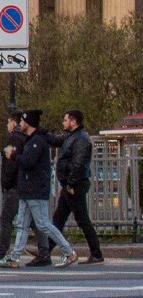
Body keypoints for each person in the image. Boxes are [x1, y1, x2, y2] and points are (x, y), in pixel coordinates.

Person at [0, 108, 78, 268]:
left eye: (23, 121)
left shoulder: (37, 141)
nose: (20, 124)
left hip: (35, 190)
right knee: (22, 225)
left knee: (43, 224)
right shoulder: (31, 139)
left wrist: (13, 155)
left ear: (29, 123)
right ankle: (15, 256)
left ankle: (68, 252)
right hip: (27, 189)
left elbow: (28, 162)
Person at [38, 108, 105, 265]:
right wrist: (39, 130)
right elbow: (55, 140)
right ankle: (46, 250)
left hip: (75, 185)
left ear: (74, 122)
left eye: (66, 120)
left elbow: (79, 164)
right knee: (58, 218)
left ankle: (96, 253)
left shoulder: (81, 139)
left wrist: (71, 183)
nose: (63, 122)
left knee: (82, 219)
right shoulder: (71, 136)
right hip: (69, 184)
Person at [0, 113, 46, 268]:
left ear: (14, 122)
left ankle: (2, 252)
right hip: (24, 185)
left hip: (15, 187)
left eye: (8, 122)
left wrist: (7, 183)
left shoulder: (15, 138)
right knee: (35, 222)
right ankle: (44, 252)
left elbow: (12, 165)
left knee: (7, 219)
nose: (7, 125)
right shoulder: (26, 138)